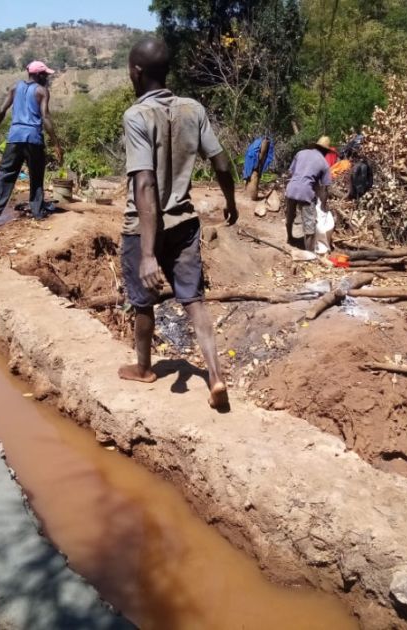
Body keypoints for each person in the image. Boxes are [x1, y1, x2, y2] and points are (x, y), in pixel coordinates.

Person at [118, 37, 238, 410]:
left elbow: (145, 183)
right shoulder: (192, 109)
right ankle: (215, 375)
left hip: (144, 230)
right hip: (185, 223)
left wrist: (149, 252)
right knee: (194, 300)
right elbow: (220, 161)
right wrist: (231, 202)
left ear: (135, 73)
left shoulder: (137, 116)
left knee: (143, 303)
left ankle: (143, 368)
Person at [0, 61, 64, 223]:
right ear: (38, 75)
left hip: (14, 137)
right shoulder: (42, 91)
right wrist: (56, 143)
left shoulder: (15, 88)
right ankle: (37, 211)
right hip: (33, 138)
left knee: (5, 174)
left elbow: (1, 110)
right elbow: (46, 117)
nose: (47, 78)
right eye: (45, 75)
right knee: (36, 175)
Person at [285, 136, 332, 253]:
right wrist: (323, 205)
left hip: (291, 189)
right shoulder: (324, 163)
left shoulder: (300, 153)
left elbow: (291, 172)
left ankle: (290, 238)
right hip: (306, 193)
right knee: (309, 224)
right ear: (326, 151)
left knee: (290, 216)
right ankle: (309, 252)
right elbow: (325, 188)